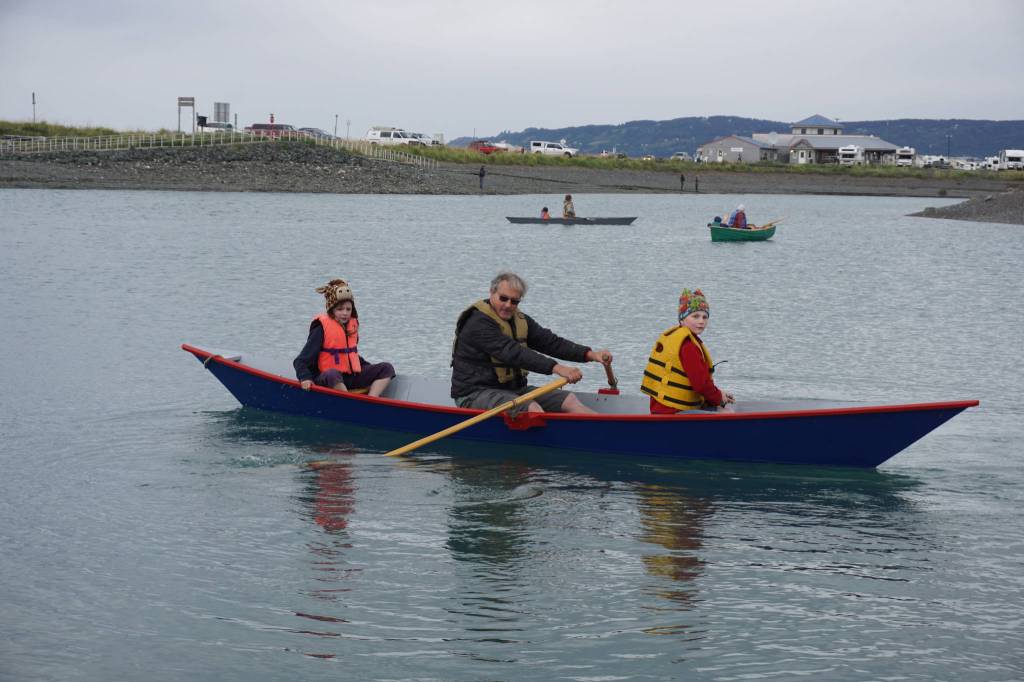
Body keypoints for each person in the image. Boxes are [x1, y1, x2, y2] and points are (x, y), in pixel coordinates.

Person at [451, 271, 613, 415]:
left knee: (570, 400)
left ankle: (606, 430)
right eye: (503, 298)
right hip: (475, 393)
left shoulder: (519, 320)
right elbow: (513, 353)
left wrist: (591, 354)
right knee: (532, 409)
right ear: (491, 293)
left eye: (514, 301)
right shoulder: (478, 323)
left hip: (515, 390)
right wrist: (558, 368)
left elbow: (550, 342)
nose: (508, 305)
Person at [294, 278, 396, 397]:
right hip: (328, 378)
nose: (345, 313)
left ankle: (371, 400)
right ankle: (349, 402)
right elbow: (300, 361)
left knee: (386, 368)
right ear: (331, 310)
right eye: (340, 309)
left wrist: (369, 368)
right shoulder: (321, 329)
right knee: (333, 374)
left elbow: (349, 355)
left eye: (348, 309)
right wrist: (305, 378)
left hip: (350, 377)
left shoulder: (351, 326)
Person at [641, 288, 735, 414]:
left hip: (663, 408)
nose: (701, 321)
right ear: (682, 319)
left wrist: (719, 393)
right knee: (727, 412)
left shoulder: (678, 338)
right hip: (674, 411)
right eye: (695, 316)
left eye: (705, 317)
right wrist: (719, 399)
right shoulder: (688, 346)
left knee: (719, 405)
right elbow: (701, 385)